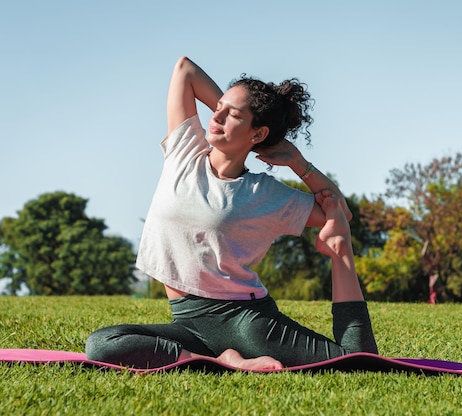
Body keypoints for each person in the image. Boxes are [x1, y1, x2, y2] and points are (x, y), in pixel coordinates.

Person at [85, 56, 377, 370]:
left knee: (356, 362)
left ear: (258, 133)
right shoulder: (185, 151)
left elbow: (338, 212)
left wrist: (296, 161)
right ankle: (224, 361)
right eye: (218, 107)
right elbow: (185, 69)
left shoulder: (263, 193)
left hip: (247, 323)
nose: (217, 116)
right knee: (101, 344)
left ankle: (227, 357)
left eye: (232, 114)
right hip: (188, 323)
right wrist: (235, 115)